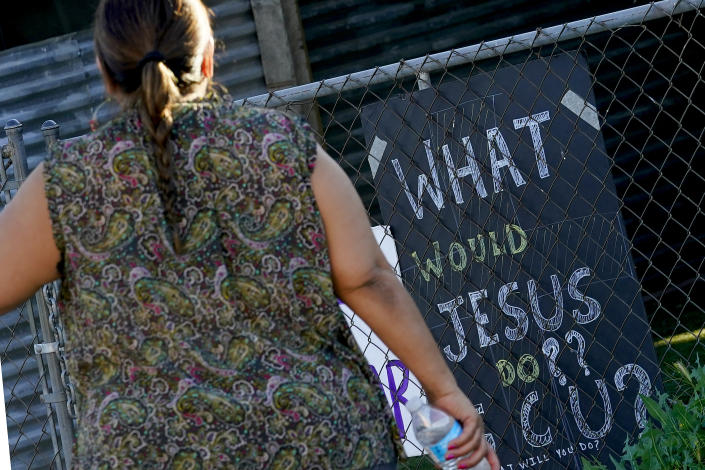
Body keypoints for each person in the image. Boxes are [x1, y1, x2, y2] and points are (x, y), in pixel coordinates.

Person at [0, 1, 500, 469]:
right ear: (209, 58)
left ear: (106, 70)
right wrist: (442, 389)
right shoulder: (285, 146)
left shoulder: (65, 185)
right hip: (320, 439)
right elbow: (366, 278)